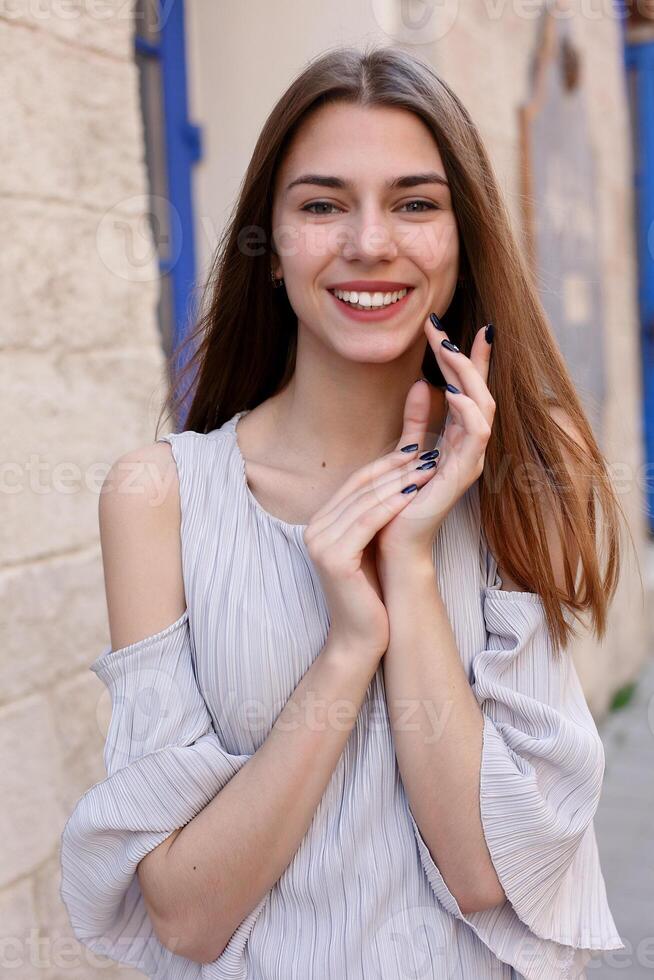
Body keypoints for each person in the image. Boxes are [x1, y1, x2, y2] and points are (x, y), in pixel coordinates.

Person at [60, 44, 632, 980]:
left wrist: (406, 567)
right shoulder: (160, 497)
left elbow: (490, 871)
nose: (370, 242)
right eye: (323, 205)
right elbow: (185, 915)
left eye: (415, 203)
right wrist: (344, 645)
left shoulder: (527, 469)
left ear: (462, 241)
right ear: (272, 249)